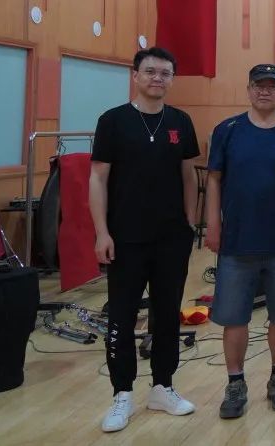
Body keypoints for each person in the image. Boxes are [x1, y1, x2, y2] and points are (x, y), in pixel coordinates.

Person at [89, 47, 200, 433]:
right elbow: (98, 178)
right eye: (150, 71)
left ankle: (162, 387)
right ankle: (122, 393)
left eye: (165, 73)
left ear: (171, 79)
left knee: (167, 314)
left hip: (171, 238)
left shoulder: (180, 121)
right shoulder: (113, 121)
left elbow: (189, 175)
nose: (157, 78)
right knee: (121, 316)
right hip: (125, 238)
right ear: (135, 76)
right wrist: (101, 232)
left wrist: (189, 221)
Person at [205, 64, 275, 419]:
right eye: (258, 85)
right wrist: (212, 225)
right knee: (235, 318)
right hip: (237, 242)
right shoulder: (227, 130)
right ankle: (235, 384)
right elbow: (214, 180)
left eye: (272, 86)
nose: (265, 91)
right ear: (248, 90)